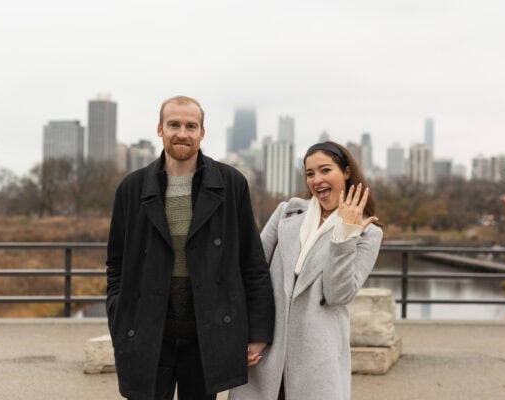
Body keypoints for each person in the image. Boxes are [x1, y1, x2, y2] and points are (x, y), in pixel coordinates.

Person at [106, 95, 275, 400]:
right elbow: (116, 263)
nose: (182, 132)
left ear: (202, 132)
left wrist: (258, 332)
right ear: (160, 129)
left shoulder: (231, 183)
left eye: (190, 125)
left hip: (206, 334)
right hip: (147, 332)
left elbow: (251, 261)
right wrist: (119, 317)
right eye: (174, 124)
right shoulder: (131, 189)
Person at [229, 141, 383, 400]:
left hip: (316, 362)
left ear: (345, 172)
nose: (317, 180)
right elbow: (252, 270)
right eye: (310, 173)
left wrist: (345, 235)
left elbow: (337, 295)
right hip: (266, 352)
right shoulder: (287, 212)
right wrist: (246, 334)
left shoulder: (368, 233)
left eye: (325, 170)